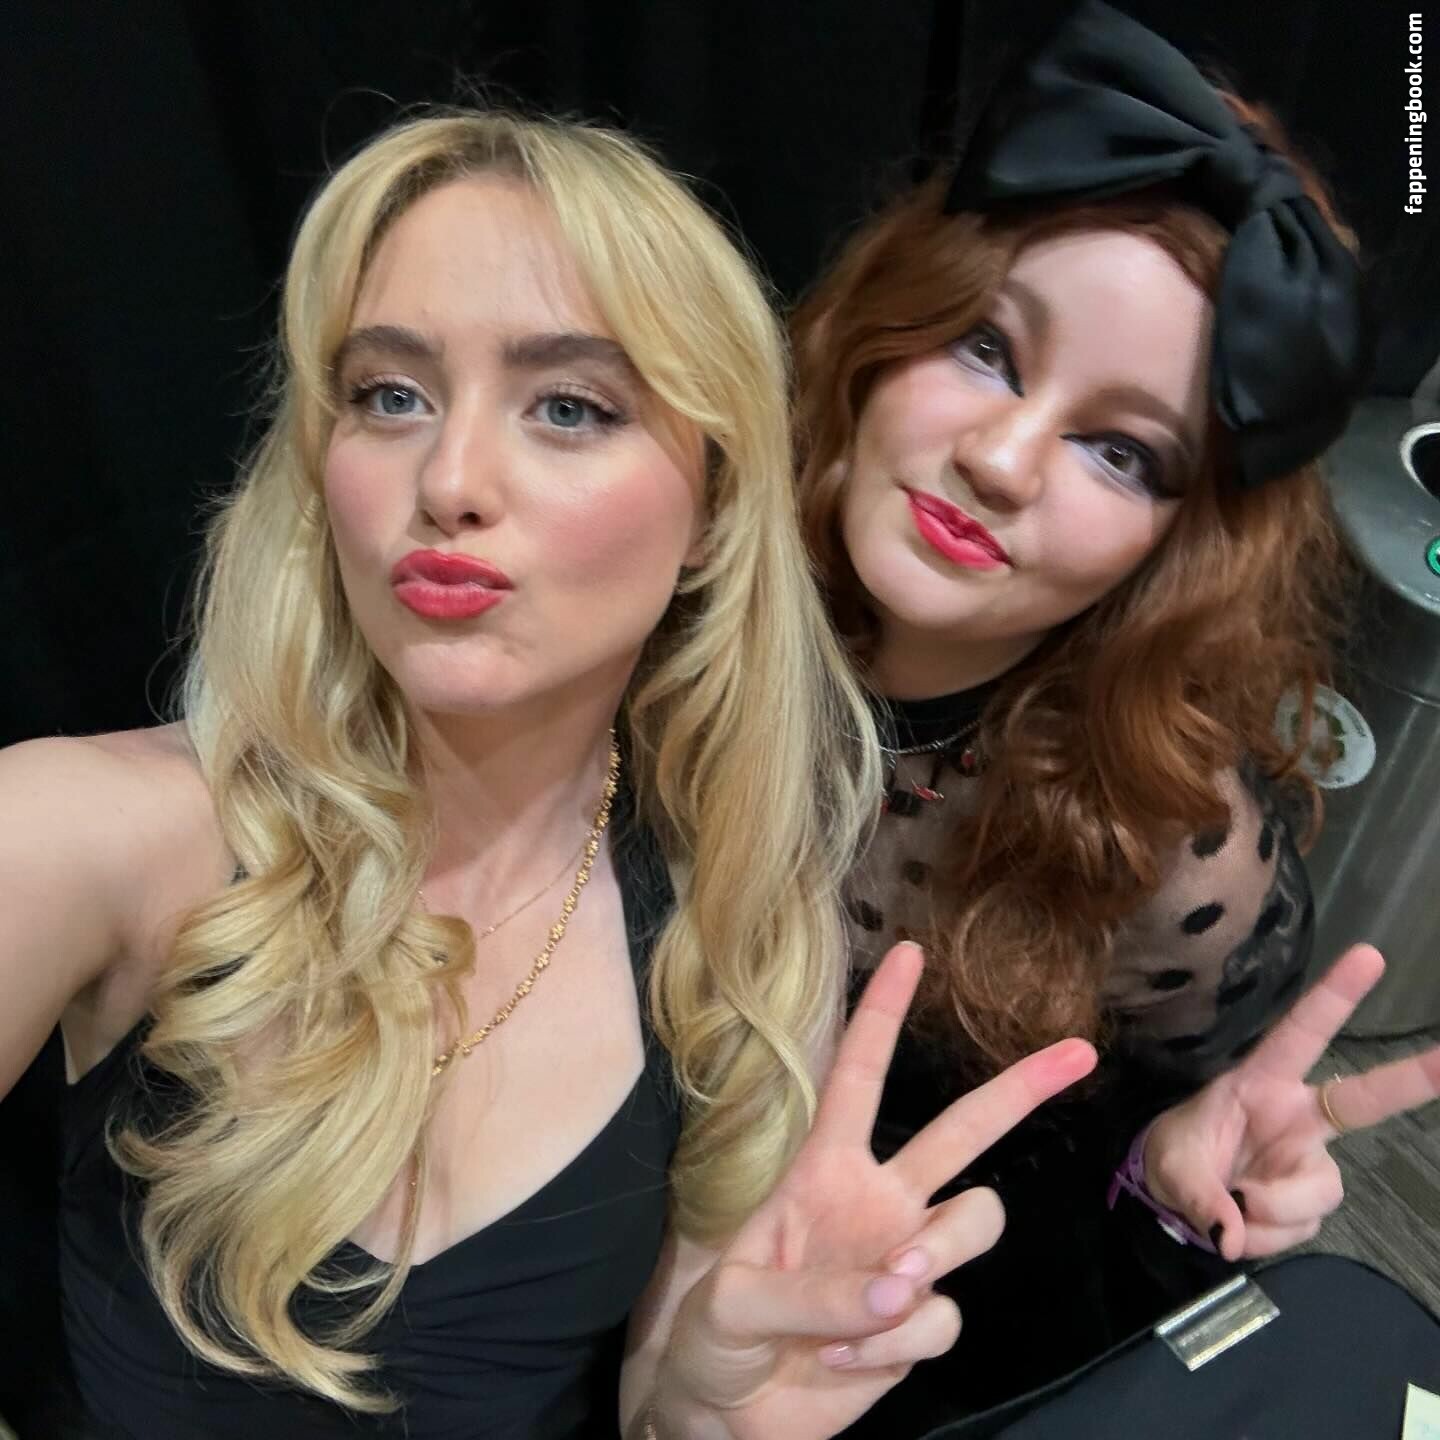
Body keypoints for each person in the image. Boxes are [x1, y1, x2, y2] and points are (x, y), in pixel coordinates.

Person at [0, 107, 944, 1439]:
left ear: (715, 509)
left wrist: (711, 1407)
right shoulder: (78, 834)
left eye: (570, 406)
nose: (448, 479)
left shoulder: (736, 943)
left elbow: (659, 1409)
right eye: (390, 394)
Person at [789, 3, 1440, 1430]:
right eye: (984, 346)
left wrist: (1174, 1178)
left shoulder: (1170, 853)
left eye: (1122, 451)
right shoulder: (671, 572)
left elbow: (1108, 1194)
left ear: (1180, 544)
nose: (1003, 459)